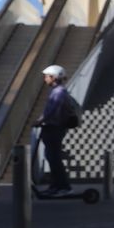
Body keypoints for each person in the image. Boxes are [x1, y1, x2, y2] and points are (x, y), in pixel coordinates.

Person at [35, 64, 78, 195]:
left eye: (47, 76)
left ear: (54, 77)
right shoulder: (56, 91)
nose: (45, 79)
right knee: (52, 157)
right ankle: (56, 186)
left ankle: (63, 186)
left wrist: (41, 121)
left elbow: (53, 110)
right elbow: (49, 110)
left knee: (54, 158)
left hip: (55, 128)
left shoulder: (59, 92)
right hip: (52, 127)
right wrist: (41, 119)